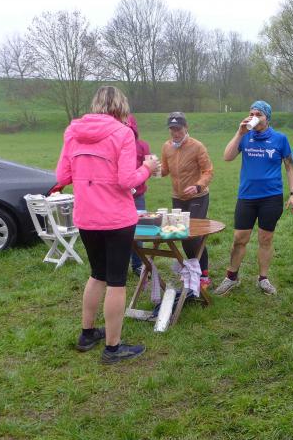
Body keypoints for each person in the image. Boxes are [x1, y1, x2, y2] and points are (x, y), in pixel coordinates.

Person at [55, 85, 158, 364]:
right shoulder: (123, 133)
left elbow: (62, 175)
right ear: (120, 107)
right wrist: (147, 168)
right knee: (116, 281)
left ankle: (87, 334)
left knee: (97, 274)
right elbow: (126, 180)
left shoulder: (73, 131)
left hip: (86, 218)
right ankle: (113, 348)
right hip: (116, 219)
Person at [214, 101, 293, 296]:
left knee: (265, 239)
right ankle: (231, 277)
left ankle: (263, 279)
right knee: (239, 238)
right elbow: (227, 157)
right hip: (247, 196)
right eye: (251, 113)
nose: (254, 117)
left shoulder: (280, 139)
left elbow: (289, 167)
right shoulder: (245, 136)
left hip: (271, 197)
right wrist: (239, 133)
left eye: (258, 114)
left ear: (267, 117)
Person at [160, 112, 214, 288]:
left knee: (194, 236)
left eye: (178, 129)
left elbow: (208, 171)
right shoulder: (167, 147)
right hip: (178, 197)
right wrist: (152, 168)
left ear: (186, 128)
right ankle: (192, 270)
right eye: (172, 129)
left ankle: (203, 274)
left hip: (198, 196)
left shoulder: (197, 146)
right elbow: (165, 170)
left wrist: (198, 186)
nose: (175, 133)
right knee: (183, 235)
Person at [126, 114, 151, 275]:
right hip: (118, 197)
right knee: (119, 231)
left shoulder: (142, 146)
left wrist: (150, 169)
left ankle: (137, 264)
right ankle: (120, 264)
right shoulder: (113, 145)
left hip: (137, 197)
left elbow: (149, 168)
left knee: (139, 230)